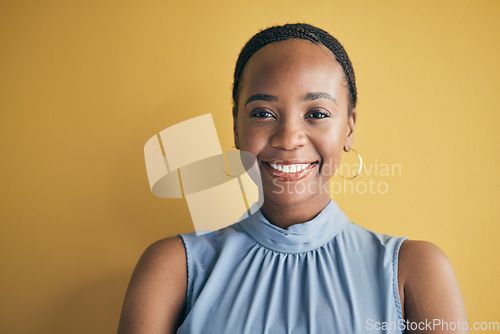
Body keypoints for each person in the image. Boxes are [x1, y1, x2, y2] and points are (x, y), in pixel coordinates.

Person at [118, 23, 468, 334]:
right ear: (237, 127)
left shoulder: (414, 270)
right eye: (263, 113)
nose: (288, 137)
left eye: (317, 113)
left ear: (349, 128)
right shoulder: (173, 267)